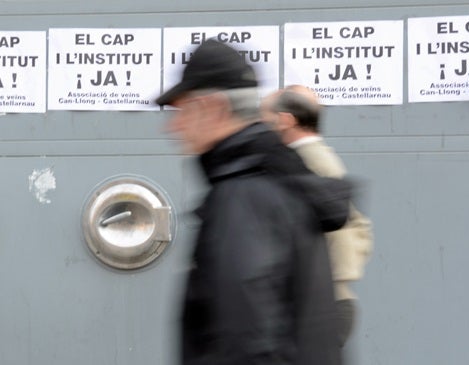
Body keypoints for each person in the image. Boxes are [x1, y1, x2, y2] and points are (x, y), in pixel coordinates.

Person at [156, 39, 348, 365]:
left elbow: (246, 336)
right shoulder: (280, 179)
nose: (173, 126)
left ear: (212, 108)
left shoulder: (242, 195)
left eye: (182, 111)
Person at [260, 85, 374, 347]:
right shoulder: (311, 158)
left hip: (317, 308)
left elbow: (343, 223)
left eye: (266, 119)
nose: (261, 128)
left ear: (286, 121)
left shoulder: (307, 160)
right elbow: (358, 227)